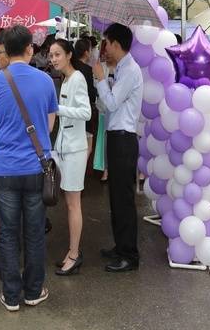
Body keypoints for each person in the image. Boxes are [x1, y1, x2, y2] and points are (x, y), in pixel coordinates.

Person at [0, 25, 57, 311]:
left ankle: (11, 296)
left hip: (5, 168)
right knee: (35, 232)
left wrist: (6, 139)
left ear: (5, 50)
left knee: (9, 233)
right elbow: (49, 126)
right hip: (37, 167)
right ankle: (33, 291)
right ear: (29, 49)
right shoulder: (46, 81)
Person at [93, 23, 143, 273]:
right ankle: (120, 246)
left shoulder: (131, 70)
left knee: (123, 198)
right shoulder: (120, 69)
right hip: (116, 136)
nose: (105, 49)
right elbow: (106, 105)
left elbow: (112, 104)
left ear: (115, 43)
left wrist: (102, 80)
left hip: (124, 138)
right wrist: (103, 79)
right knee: (115, 196)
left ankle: (129, 254)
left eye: (107, 43)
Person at [49, 39, 92, 276]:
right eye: (51, 55)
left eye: (57, 54)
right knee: (69, 203)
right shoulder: (66, 79)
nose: (53, 59)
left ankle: (74, 255)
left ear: (68, 55)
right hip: (65, 148)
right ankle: (71, 251)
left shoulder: (77, 79)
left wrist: (58, 109)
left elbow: (86, 112)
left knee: (74, 205)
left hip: (75, 150)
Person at [73, 38, 98, 160]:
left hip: (72, 110)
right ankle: (79, 173)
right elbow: (90, 93)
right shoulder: (87, 69)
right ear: (86, 52)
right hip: (85, 111)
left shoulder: (71, 67)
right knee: (88, 147)